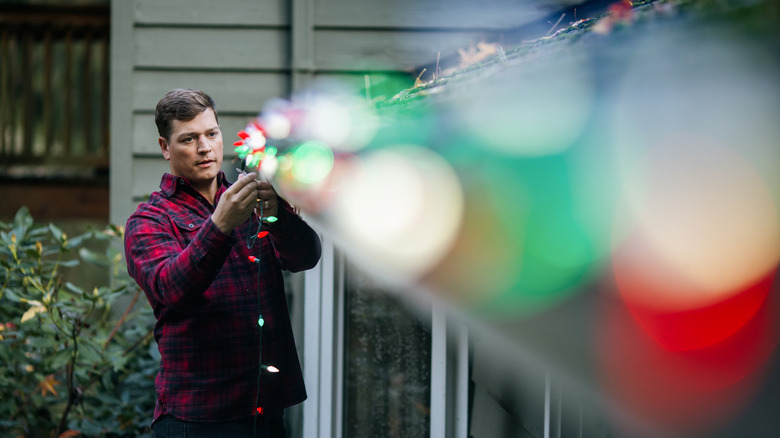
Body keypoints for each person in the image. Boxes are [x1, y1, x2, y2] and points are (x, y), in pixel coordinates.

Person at [124, 88, 321, 437]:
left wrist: (278, 215)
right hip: (197, 418)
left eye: (211, 134)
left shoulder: (250, 200)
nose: (205, 147)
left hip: (267, 409)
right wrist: (219, 225)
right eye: (189, 139)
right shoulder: (149, 220)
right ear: (165, 147)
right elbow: (172, 290)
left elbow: (306, 258)